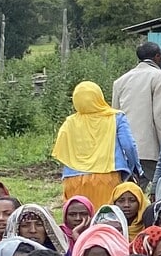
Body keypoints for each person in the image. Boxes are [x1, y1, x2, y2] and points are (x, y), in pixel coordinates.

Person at [54, 82, 141, 212]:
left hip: (74, 179)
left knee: (78, 218)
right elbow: (129, 146)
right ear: (99, 96)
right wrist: (134, 167)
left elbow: (61, 149)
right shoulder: (116, 117)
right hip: (107, 177)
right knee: (106, 217)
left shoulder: (69, 122)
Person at [112, 41, 161, 179]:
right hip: (150, 150)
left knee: (129, 188)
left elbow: (115, 117)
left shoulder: (120, 81)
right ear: (157, 56)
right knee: (160, 186)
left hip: (125, 149)